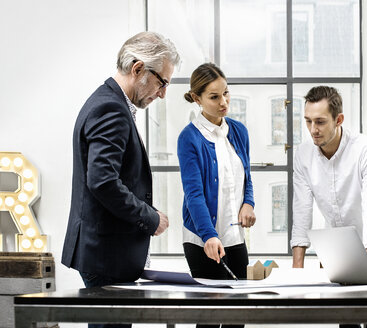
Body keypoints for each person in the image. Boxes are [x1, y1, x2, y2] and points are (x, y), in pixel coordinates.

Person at [61, 32, 180, 327]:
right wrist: (150, 218)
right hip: (105, 256)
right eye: (162, 82)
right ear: (138, 69)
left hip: (103, 253)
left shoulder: (109, 102)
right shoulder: (111, 108)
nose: (163, 93)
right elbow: (102, 181)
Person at [177, 63, 256, 328]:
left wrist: (249, 202)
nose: (224, 102)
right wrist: (209, 234)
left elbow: (246, 175)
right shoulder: (189, 138)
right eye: (214, 97)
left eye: (226, 93)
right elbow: (194, 193)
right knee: (209, 317)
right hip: (201, 240)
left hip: (234, 237)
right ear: (197, 99)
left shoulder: (239, 131)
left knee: (238, 317)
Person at [291, 86, 367, 272]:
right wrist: (297, 270)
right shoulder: (303, 155)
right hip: (334, 254)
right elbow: (301, 211)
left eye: (320, 122)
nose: (313, 130)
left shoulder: (366, 150)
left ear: (339, 120)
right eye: (308, 121)